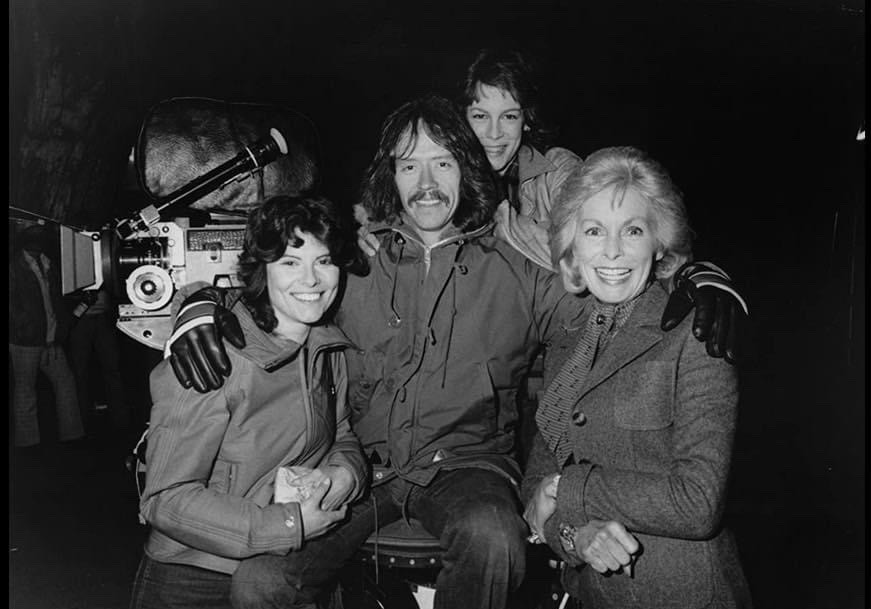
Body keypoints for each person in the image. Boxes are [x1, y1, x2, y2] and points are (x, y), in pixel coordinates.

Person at [163, 95, 747, 609]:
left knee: (495, 538)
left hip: (469, 470)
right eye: (408, 164)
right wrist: (197, 309)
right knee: (263, 583)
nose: (425, 182)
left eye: (442, 162)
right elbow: (275, 291)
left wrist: (696, 273)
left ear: (466, 171)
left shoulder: (522, 272)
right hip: (362, 472)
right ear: (387, 175)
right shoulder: (350, 263)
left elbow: (613, 298)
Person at [522, 146, 752, 608]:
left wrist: (573, 490)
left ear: (658, 244)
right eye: (593, 231)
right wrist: (575, 537)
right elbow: (537, 485)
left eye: (632, 230)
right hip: (592, 594)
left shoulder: (695, 332)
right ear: (572, 247)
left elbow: (698, 502)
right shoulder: (568, 342)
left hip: (681, 594)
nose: (611, 251)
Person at [130, 195, 368, 609]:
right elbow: (165, 498)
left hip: (283, 571)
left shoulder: (325, 350)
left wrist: (342, 477)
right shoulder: (213, 355)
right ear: (262, 270)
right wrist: (288, 524)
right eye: (291, 263)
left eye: (324, 261)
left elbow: (343, 434)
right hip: (195, 577)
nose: (311, 280)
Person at [461, 47, 582, 271]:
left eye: (508, 116)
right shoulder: (444, 177)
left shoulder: (558, 170)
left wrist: (499, 220)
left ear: (526, 120)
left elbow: (582, 256)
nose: (494, 133)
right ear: (463, 122)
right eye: (480, 116)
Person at [9, 224, 84, 449]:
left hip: (49, 338)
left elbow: (56, 302)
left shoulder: (48, 263)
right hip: (25, 340)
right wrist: (24, 326)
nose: (37, 242)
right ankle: (28, 442)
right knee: (25, 390)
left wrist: (59, 330)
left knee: (64, 383)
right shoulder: (14, 267)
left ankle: (72, 436)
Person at [68, 286, 133, 441]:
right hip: (80, 318)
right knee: (79, 372)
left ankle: (121, 420)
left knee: (113, 369)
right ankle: (81, 423)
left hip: (103, 317)